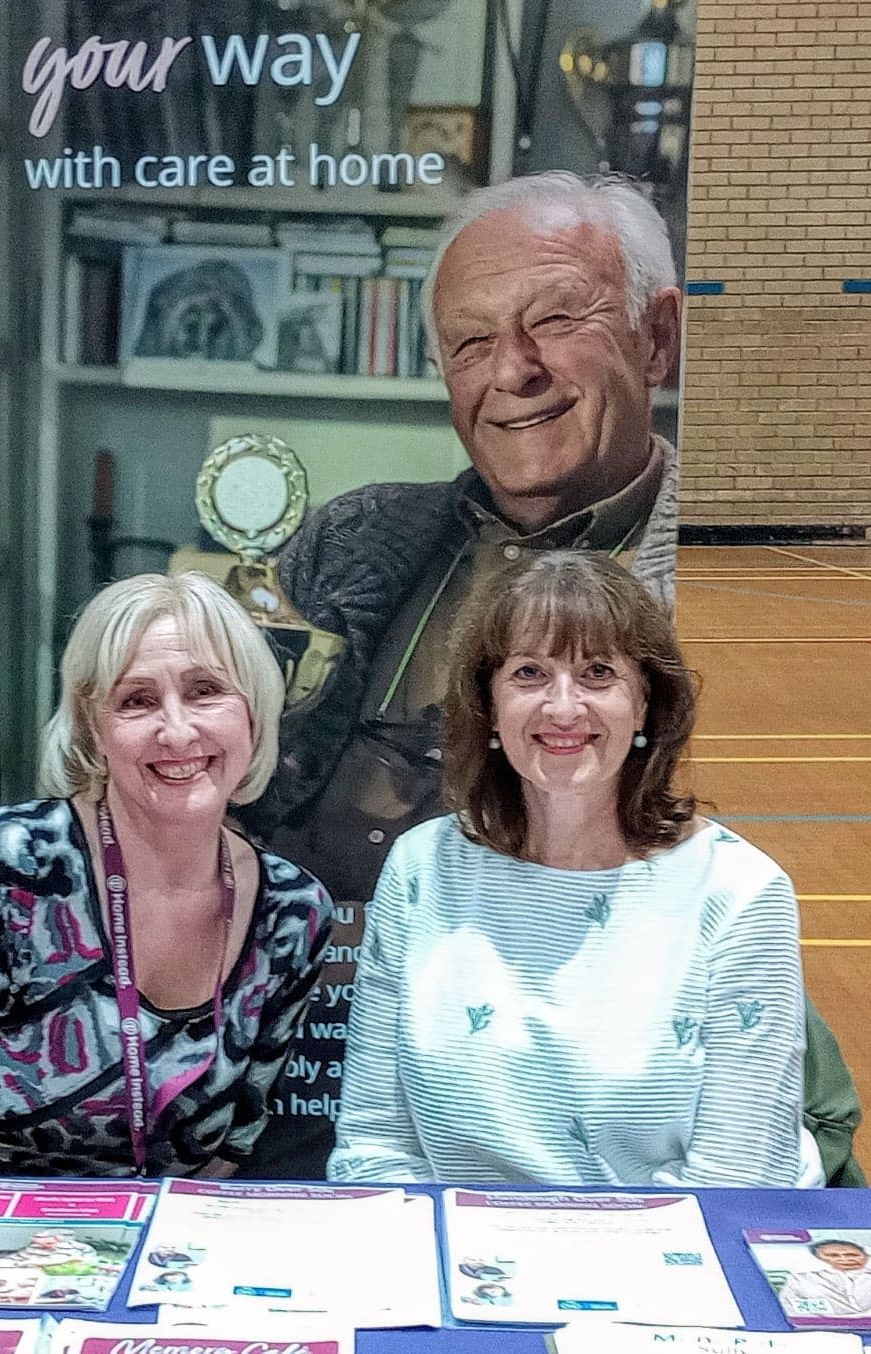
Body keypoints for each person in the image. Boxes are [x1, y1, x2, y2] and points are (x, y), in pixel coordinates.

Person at [239, 171, 682, 1177]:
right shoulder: (355, 536)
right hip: (307, 1044)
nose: (512, 371)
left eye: (558, 317)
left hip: (543, 1081)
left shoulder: (695, 579)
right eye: (472, 341)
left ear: (657, 338)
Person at [0, 572, 332, 1177]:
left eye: (207, 691)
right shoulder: (13, 865)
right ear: (94, 731)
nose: (177, 731)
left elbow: (231, 1144)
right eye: (137, 701)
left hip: (106, 1231)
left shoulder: (292, 912)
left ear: (255, 714)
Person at [326, 550, 813, 1187]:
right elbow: (374, 1145)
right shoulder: (422, 869)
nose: (563, 707)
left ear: (645, 705)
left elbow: (740, 1181)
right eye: (529, 672)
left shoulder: (741, 894)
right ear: (489, 706)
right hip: (465, 1266)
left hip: (664, 1268)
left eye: (597, 673)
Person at [778, 1240, 871, 1318]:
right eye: (833, 1255)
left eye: (852, 1255)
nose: (844, 1259)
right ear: (817, 1258)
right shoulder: (801, 1279)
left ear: (866, 1256)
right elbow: (790, 1308)